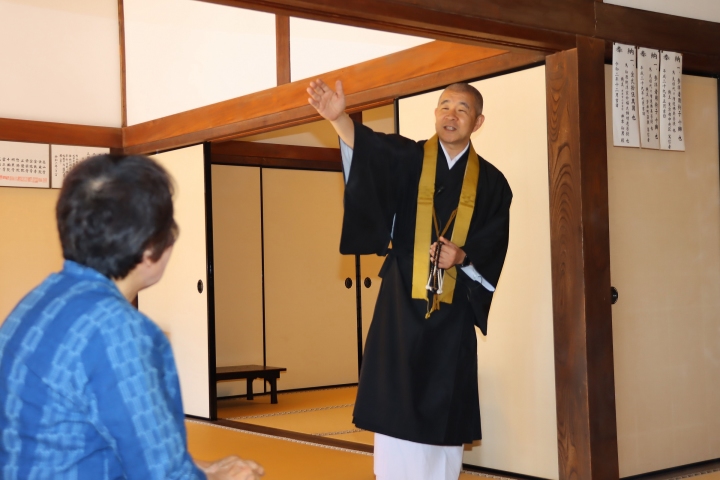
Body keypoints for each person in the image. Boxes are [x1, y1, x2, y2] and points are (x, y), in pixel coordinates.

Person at [0, 155, 263, 480]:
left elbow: (92, 435)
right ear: (151, 247)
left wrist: (201, 468)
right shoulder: (119, 331)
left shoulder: (37, 302)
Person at [307, 79, 512, 479]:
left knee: (444, 413)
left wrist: (462, 256)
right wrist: (339, 119)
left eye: (462, 109)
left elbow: (493, 243)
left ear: (478, 121)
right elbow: (370, 150)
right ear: (435, 114)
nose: (451, 115)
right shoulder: (407, 158)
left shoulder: (492, 183)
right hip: (400, 303)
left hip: (452, 315)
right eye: (444, 106)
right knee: (395, 407)